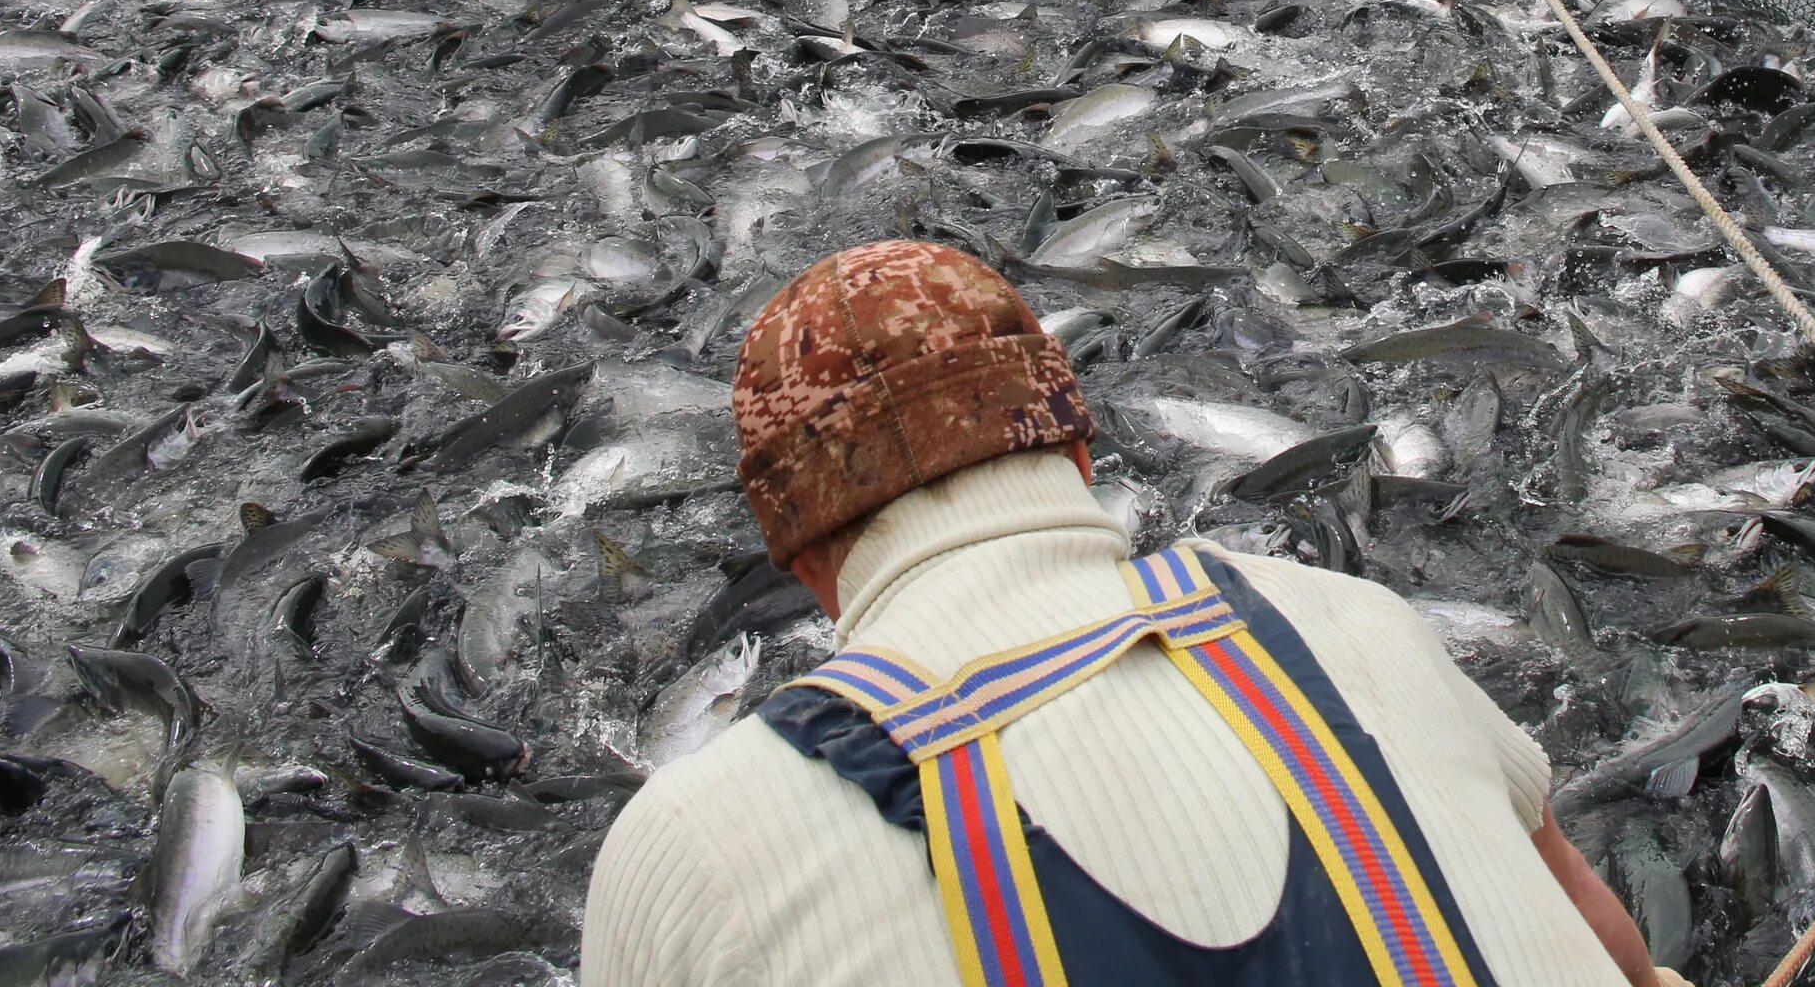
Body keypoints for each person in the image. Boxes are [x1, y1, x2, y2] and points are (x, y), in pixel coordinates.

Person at [580, 240, 1671, 987]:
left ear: (797, 553)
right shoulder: (1353, 616)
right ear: (1077, 442)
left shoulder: (689, 843)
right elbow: (1597, 931)